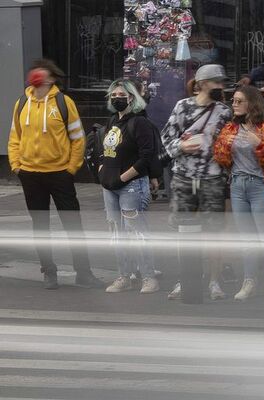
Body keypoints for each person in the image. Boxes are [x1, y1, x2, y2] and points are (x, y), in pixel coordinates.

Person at [7, 59, 103, 290]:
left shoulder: (63, 102)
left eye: (42, 72)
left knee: (73, 224)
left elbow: (77, 138)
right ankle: (49, 272)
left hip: (60, 173)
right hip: (30, 174)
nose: (36, 75)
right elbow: (14, 137)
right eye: (34, 72)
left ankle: (84, 273)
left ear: (51, 78)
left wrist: (71, 168)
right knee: (40, 227)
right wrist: (16, 165)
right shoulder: (21, 103)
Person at [161, 64, 232, 302]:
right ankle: (186, 280)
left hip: (212, 177)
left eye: (222, 82)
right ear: (201, 84)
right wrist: (180, 146)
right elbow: (166, 136)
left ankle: (214, 281)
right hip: (183, 176)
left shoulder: (224, 111)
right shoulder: (183, 107)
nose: (220, 87)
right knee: (185, 233)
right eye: (216, 82)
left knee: (214, 234)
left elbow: (228, 144)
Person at [213, 86, 264, 301]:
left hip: (260, 185)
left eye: (239, 101)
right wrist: (223, 148)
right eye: (233, 100)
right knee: (247, 238)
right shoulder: (230, 128)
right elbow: (221, 159)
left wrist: (258, 144)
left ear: (251, 104)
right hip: (237, 185)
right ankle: (249, 281)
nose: (234, 104)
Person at [100, 79, 159, 294]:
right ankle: (124, 276)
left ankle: (148, 277)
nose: (116, 98)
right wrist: (102, 171)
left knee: (136, 233)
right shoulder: (112, 121)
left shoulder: (139, 123)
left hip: (131, 186)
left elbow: (146, 157)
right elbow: (104, 149)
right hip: (110, 186)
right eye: (113, 95)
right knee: (117, 235)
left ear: (131, 98)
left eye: (121, 95)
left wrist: (123, 178)